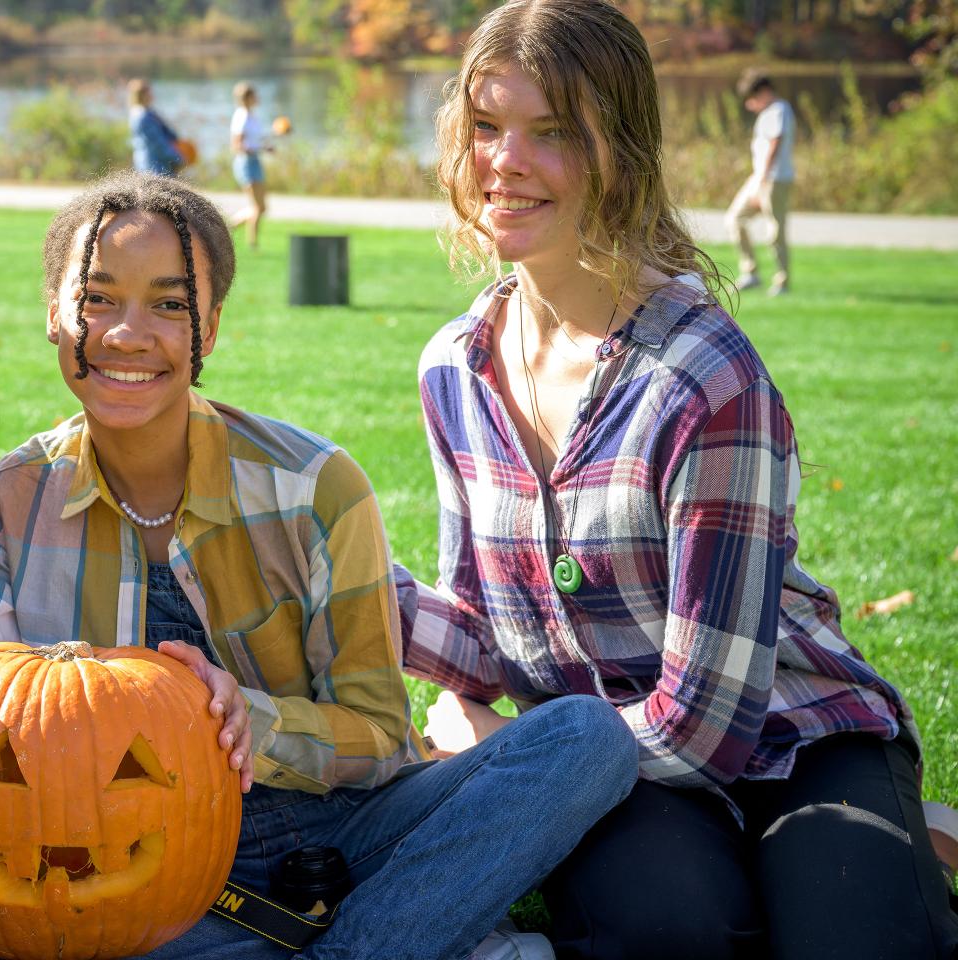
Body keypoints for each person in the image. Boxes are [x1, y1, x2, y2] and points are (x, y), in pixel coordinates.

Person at [0, 171, 638, 960]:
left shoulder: (313, 486)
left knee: (583, 738)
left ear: (209, 329)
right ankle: (405, 933)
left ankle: (342, 944)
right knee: (88, 935)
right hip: (137, 868)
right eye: (99, 298)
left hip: (346, 827)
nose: (128, 333)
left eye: (170, 304)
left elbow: (379, 730)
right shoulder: (12, 499)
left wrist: (248, 722)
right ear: (54, 314)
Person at [401, 2, 958, 958]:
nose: (504, 162)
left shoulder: (701, 378)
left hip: (785, 728)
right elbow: (489, 636)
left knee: (855, 939)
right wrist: (338, 597)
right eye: (487, 129)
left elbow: (703, 731)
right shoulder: (454, 368)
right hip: (609, 749)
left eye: (552, 134)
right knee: (671, 929)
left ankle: (906, 834)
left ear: (618, 153)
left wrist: (500, 750)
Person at [725, 69, 795, 296]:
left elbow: (775, 143)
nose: (751, 102)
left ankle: (782, 281)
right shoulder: (766, 112)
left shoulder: (779, 109)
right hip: (759, 178)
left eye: (753, 97)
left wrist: (762, 180)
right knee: (735, 218)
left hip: (774, 179)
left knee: (775, 231)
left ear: (764, 92)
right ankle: (751, 272)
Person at [229, 81, 268, 249]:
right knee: (256, 207)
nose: (257, 98)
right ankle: (252, 243)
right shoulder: (242, 116)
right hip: (246, 163)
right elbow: (237, 145)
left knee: (261, 207)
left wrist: (265, 147)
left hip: (255, 161)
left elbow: (255, 141)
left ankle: (229, 228)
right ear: (248, 98)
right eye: (254, 95)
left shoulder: (252, 116)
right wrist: (259, 148)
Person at [128, 78, 185, 178]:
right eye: (149, 92)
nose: (152, 95)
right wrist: (177, 158)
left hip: (144, 163)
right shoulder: (143, 117)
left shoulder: (139, 112)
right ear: (142, 95)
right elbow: (157, 144)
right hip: (154, 166)